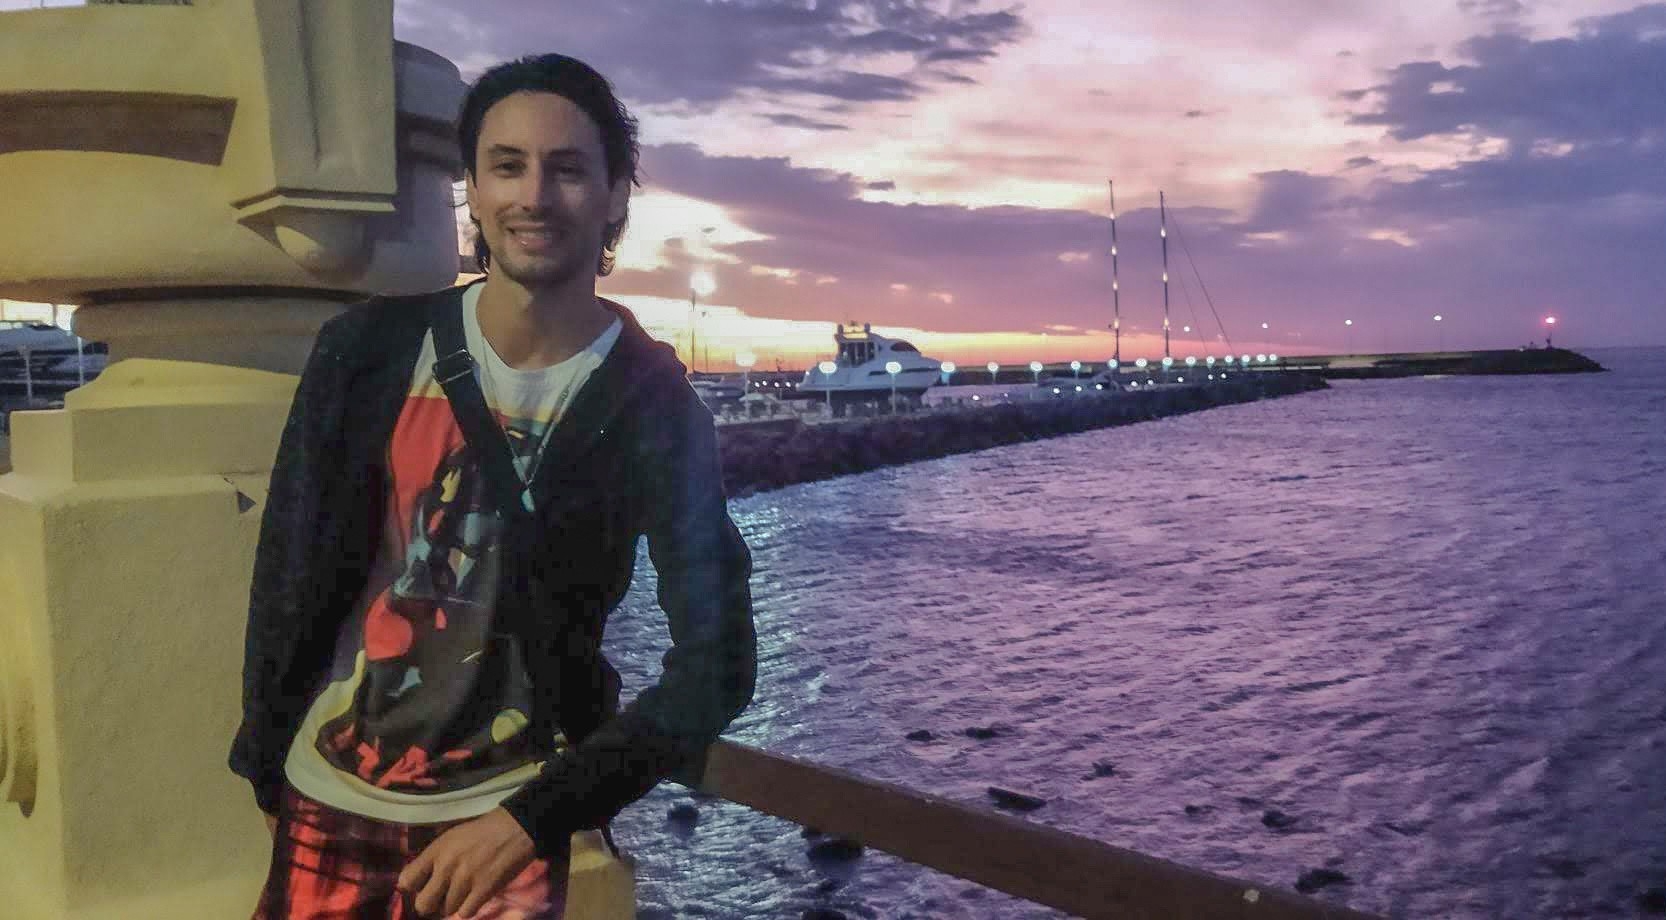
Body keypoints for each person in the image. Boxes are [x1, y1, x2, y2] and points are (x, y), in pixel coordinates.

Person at [229, 53, 758, 919]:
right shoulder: (367, 352)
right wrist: (265, 765)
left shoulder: (652, 403)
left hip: (502, 835)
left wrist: (533, 819)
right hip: (325, 798)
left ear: (616, 195)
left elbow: (720, 663)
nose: (534, 196)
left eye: (568, 169)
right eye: (507, 166)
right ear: (472, 191)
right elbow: (286, 573)